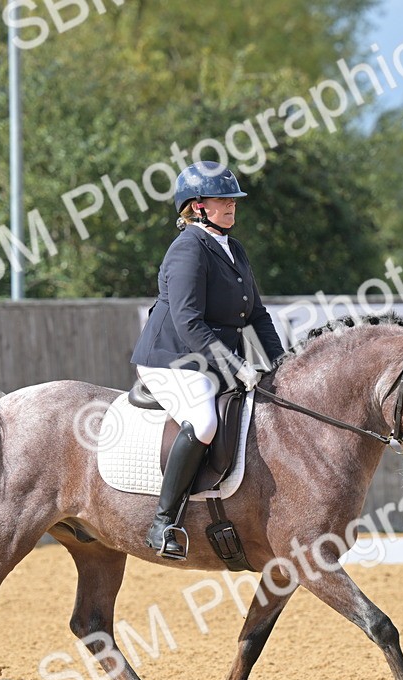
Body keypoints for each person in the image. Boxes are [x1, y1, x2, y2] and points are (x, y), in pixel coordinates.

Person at [130, 161, 286, 559]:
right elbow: (188, 321)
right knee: (203, 421)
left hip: (209, 356)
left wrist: (282, 365)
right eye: (223, 199)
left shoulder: (233, 248)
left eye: (233, 200)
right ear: (198, 206)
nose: (232, 206)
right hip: (172, 358)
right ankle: (163, 523)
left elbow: (257, 316)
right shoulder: (188, 248)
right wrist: (234, 365)